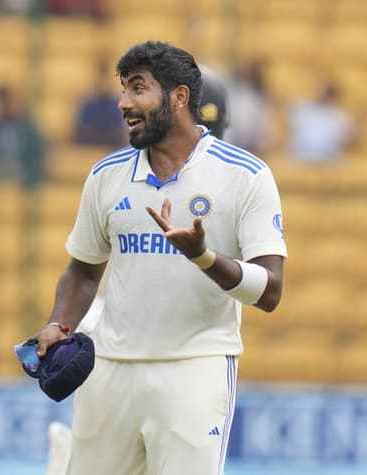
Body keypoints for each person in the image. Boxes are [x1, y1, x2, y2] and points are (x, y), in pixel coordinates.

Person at [27, 41, 286, 475]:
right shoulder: (107, 174)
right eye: (123, 90)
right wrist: (59, 323)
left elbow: (270, 291)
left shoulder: (246, 175)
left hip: (193, 372)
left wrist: (203, 257)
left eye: (137, 88)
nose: (123, 103)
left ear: (178, 97)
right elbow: (84, 271)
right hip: (109, 373)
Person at [0, 84, 45, 187]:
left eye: (6, 103)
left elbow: (37, 160)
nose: (2, 107)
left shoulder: (29, 133)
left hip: (22, 185)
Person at [286, 82, 355, 163]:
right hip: (298, 156)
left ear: (333, 96)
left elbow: (350, 135)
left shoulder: (341, 117)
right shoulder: (302, 108)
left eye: (326, 93)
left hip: (327, 158)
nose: (321, 95)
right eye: (318, 92)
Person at [73, 59, 129, 149]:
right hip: (90, 142)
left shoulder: (116, 103)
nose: (102, 82)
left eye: (105, 77)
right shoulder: (87, 103)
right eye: (100, 76)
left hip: (110, 142)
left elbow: (119, 131)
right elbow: (81, 130)